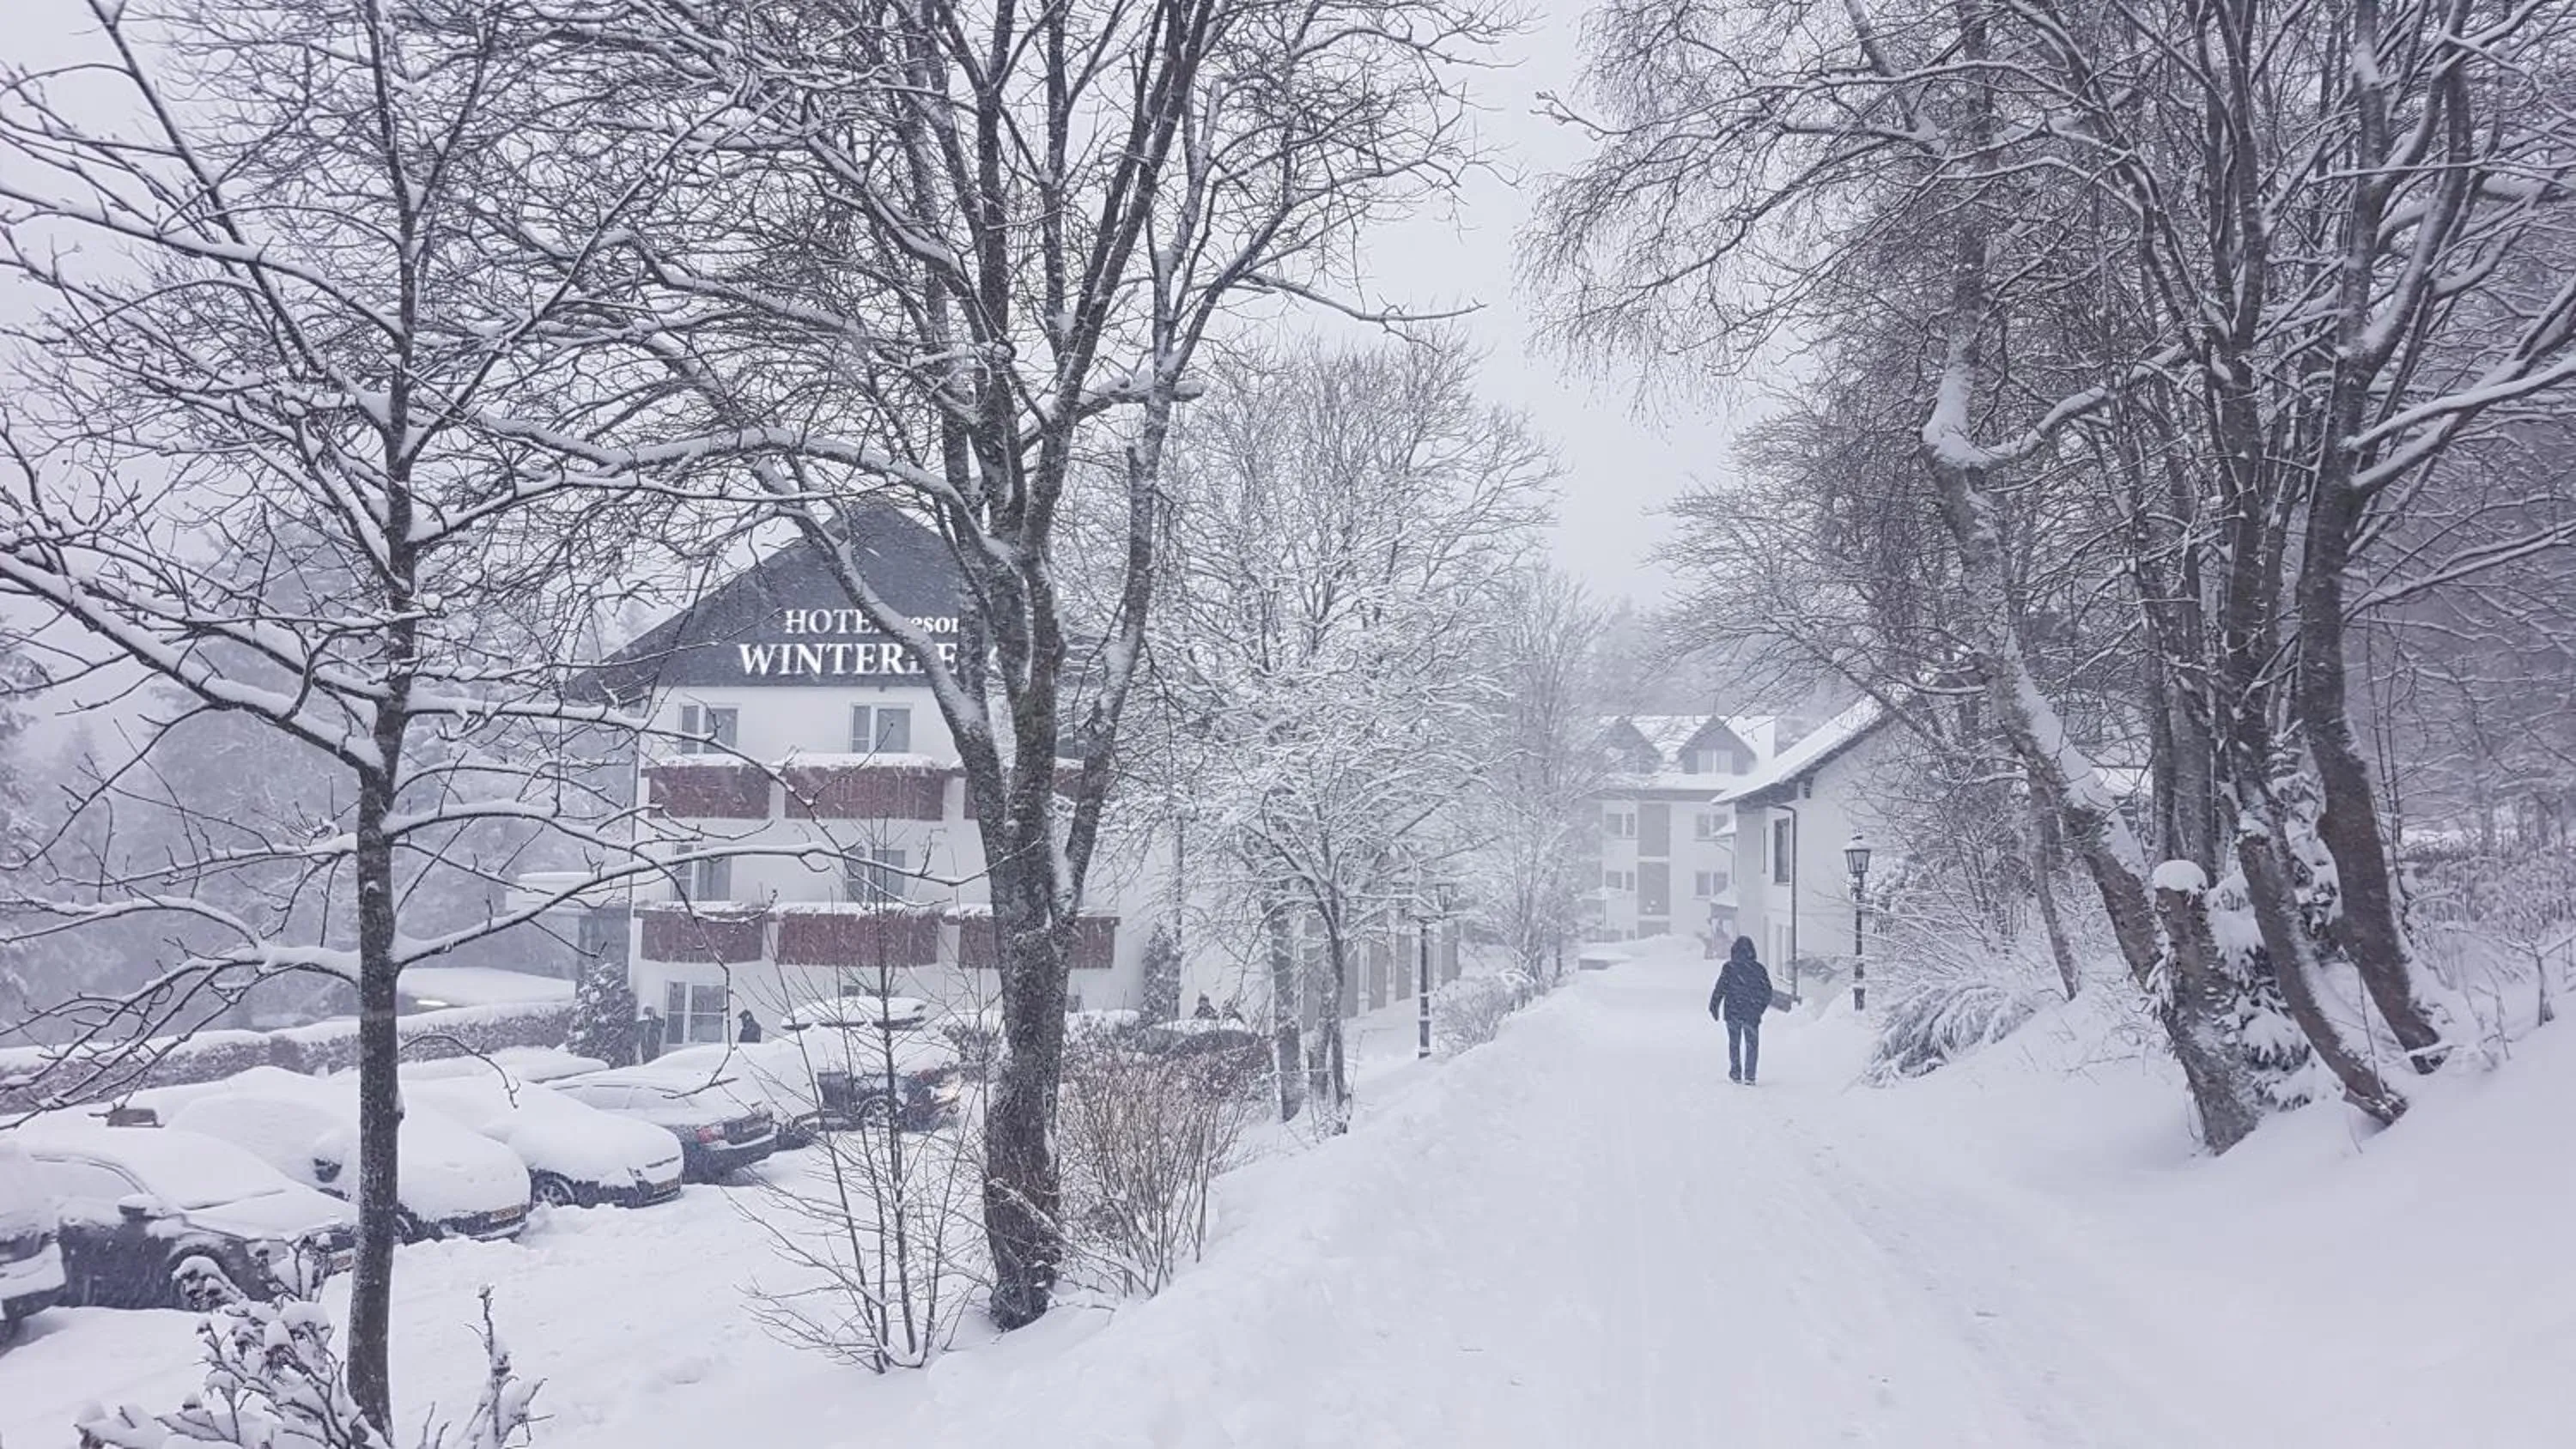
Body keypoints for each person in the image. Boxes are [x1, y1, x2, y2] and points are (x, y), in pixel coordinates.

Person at [1708, 936, 1773, 1086]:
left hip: (1733, 1011)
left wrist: (1714, 1006)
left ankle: (1736, 1073)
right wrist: (1759, 1008)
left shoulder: (1729, 968)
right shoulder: (1758, 968)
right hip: (1751, 1012)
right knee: (1752, 1044)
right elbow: (1767, 991)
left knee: (1734, 1043)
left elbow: (1720, 988)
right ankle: (1750, 1075)